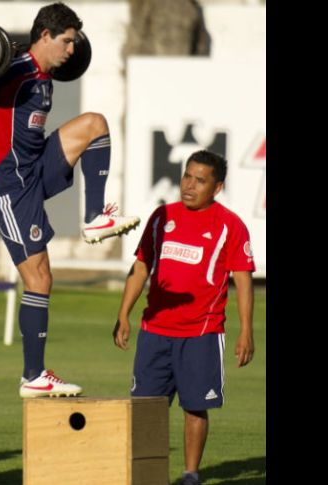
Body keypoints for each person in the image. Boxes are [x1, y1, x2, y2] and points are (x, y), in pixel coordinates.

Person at [0, 1, 140, 398]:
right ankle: (32, 375)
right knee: (40, 277)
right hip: (7, 185)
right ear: (45, 35)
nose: (72, 50)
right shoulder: (14, 68)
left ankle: (93, 217)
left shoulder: (45, 77)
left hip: (34, 167)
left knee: (95, 124)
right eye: (67, 41)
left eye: (74, 42)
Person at [112, 150, 255, 485]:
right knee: (147, 409)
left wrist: (246, 330)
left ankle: (190, 474)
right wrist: (123, 314)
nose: (189, 185)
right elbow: (141, 267)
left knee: (194, 406)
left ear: (217, 187)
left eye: (200, 180)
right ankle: (145, 474)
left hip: (202, 334)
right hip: (154, 331)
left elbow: (243, 279)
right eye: (187, 176)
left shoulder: (230, 225)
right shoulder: (162, 216)